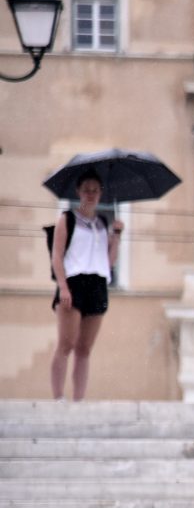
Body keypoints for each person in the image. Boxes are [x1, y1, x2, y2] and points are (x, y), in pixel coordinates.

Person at [49, 169, 124, 401]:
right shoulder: (67, 219)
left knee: (84, 349)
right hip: (74, 282)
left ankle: (79, 399)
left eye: (95, 190)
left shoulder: (102, 223)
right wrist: (63, 287)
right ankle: (59, 397)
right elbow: (57, 256)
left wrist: (117, 236)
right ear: (78, 192)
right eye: (86, 190)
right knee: (66, 343)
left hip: (98, 284)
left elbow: (108, 261)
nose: (90, 194)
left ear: (101, 193)